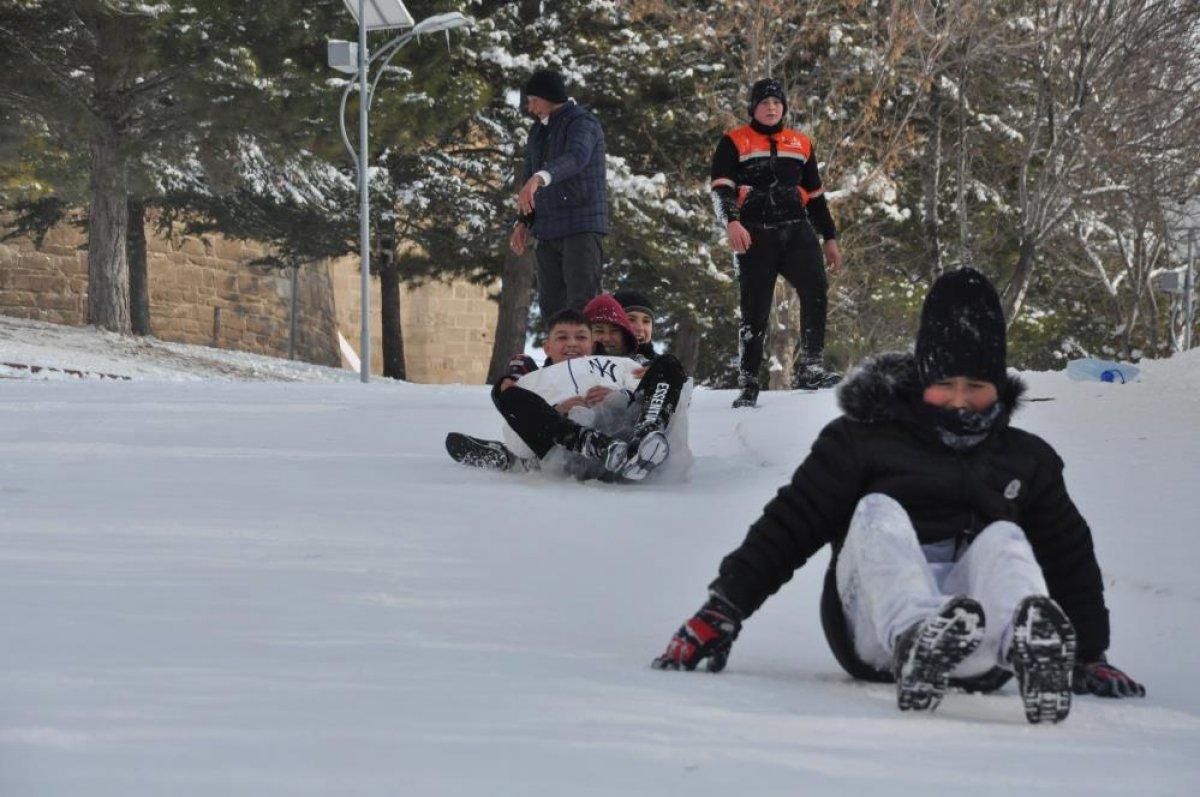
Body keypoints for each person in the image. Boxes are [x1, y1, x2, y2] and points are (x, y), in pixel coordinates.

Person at [650, 268, 1145, 723]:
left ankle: (1028, 647)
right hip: (873, 634)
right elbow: (791, 524)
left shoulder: (1025, 458)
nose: (959, 400)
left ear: (998, 385)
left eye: (975, 386)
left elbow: (1067, 551)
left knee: (1005, 537)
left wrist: (1089, 655)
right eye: (944, 384)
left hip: (983, 655)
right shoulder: (863, 439)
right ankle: (917, 637)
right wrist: (722, 611)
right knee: (877, 512)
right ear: (921, 377)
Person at [711, 78, 843, 408]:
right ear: (753, 107)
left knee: (815, 289)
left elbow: (815, 196)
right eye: (765, 102)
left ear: (784, 107)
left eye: (777, 103)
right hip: (756, 233)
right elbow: (721, 189)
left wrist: (829, 237)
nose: (772, 108)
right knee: (755, 309)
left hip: (797, 230)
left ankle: (812, 367)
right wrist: (732, 222)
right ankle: (749, 380)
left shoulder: (800, 143)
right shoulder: (733, 141)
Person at [446, 308, 688, 482]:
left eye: (581, 337)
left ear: (593, 344)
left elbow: (674, 396)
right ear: (547, 347)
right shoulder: (533, 382)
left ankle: (648, 433)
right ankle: (596, 446)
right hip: (572, 454)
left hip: (632, 441)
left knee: (668, 363)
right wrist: (556, 411)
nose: (572, 343)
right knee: (509, 394)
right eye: (562, 337)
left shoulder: (619, 365)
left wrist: (621, 394)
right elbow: (519, 442)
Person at [509, 68, 609, 320]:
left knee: (583, 306)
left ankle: (585, 358)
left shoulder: (582, 123)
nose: (531, 108)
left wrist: (540, 177)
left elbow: (576, 157)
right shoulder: (538, 132)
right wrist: (523, 222)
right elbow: (529, 179)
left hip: (580, 226)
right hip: (548, 231)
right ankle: (557, 359)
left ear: (548, 96)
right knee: (552, 308)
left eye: (533, 100)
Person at [613, 289, 658, 363]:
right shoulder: (593, 363)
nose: (640, 328)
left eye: (646, 321)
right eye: (631, 320)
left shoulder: (663, 367)